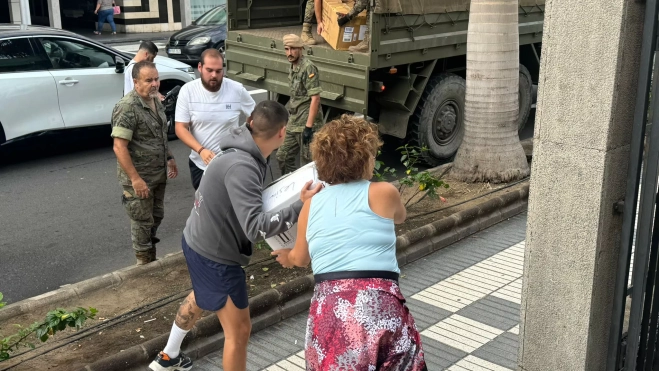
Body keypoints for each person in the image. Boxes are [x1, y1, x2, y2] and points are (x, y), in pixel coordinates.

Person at [149, 100, 322, 371]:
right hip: (216, 256)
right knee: (239, 332)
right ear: (282, 132)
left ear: (251, 122)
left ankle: (168, 355)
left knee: (202, 295)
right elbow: (256, 227)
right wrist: (302, 205)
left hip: (197, 241)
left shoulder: (242, 149)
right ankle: (169, 356)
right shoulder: (243, 166)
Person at [272, 115, 427, 370]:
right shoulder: (384, 192)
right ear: (365, 158)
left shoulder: (310, 205)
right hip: (380, 305)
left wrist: (285, 256)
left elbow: (299, 259)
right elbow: (401, 217)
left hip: (331, 310)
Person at [111, 61, 178, 266]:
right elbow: (119, 147)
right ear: (135, 82)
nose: (155, 84)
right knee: (142, 222)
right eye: (148, 80)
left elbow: (159, 134)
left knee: (156, 216)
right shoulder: (127, 107)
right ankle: (144, 265)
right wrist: (135, 179)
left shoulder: (155, 101)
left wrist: (169, 157)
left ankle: (151, 256)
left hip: (158, 174)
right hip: (140, 178)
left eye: (156, 79)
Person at [175, 49, 256, 190]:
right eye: (209, 70)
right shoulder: (187, 91)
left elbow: (255, 114)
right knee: (206, 208)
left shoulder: (236, 89)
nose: (214, 75)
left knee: (232, 207)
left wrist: (246, 132)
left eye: (218, 71)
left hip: (231, 163)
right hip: (200, 164)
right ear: (199, 67)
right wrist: (201, 151)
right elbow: (180, 128)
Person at [277, 34, 323, 175]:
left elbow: (315, 99)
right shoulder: (293, 66)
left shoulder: (308, 68)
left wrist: (309, 128)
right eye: (286, 49)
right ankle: (290, 184)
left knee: (307, 165)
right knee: (282, 156)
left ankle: (308, 193)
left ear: (300, 49)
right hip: (294, 121)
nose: (289, 53)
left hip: (307, 123)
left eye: (293, 49)